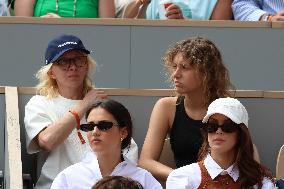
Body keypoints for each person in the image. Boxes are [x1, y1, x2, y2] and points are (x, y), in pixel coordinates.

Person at [24, 34, 138, 189]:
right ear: (51, 72)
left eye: (79, 60)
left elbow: (127, 147)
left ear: (87, 66)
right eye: (63, 61)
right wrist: (83, 105)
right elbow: (47, 141)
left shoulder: (102, 104)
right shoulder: (40, 103)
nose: (73, 67)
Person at [138, 36, 233, 182]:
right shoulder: (166, 107)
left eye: (185, 67)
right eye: (174, 66)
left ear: (206, 73)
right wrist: (185, 178)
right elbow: (146, 162)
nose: (175, 74)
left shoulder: (227, 107)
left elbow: (244, 159)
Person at [50, 99, 162, 189]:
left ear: (123, 132)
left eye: (104, 126)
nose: (95, 132)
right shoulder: (68, 177)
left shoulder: (143, 179)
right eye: (89, 126)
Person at [166, 97, 277, 188]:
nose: (218, 131)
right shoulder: (181, 178)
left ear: (241, 134)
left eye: (228, 126)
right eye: (212, 126)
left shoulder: (261, 183)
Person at [122, 0, 232, 20]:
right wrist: (139, 1)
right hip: (151, 48)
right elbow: (125, 20)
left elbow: (219, 34)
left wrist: (183, 23)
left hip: (193, 63)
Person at [14, 0, 115, 18]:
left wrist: (62, 25)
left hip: (84, 51)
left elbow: (106, 32)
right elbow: (21, 30)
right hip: (38, 43)